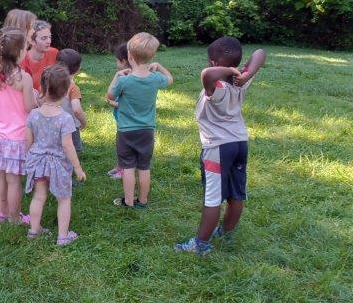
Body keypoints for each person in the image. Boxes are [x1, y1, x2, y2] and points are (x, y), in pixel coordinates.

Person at [175, 37, 265, 255]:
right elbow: (260, 53)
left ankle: (201, 244)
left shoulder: (216, 87)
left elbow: (206, 75)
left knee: (212, 197)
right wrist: (244, 74)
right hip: (239, 144)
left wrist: (231, 72)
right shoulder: (239, 81)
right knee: (236, 194)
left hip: (217, 148)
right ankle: (226, 232)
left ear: (213, 63)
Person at [106, 32, 173, 209]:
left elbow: (110, 95)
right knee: (144, 167)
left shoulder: (124, 81)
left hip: (126, 131)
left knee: (127, 167)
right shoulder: (155, 78)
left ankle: (128, 202)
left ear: (129, 55)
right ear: (151, 57)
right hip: (147, 131)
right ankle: (142, 201)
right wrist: (159, 67)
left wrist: (117, 76)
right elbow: (170, 79)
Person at [24, 65, 86, 246]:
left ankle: (34, 231)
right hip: (59, 164)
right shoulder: (65, 118)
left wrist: (28, 157)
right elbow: (68, 145)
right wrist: (77, 168)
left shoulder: (33, 114)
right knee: (63, 199)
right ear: (66, 91)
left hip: (37, 161)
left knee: (39, 196)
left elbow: (28, 140)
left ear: (42, 88)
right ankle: (63, 236)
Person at [0, 27, 35, 225]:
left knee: (0, 177)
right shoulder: (24, 78)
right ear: (19, 52)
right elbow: (29, 107)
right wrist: (36, 98)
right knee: (14, 180)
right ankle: (15, 217)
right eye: (26, 48)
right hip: (16, 137)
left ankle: (1, 213)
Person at [55, 48, 86, 154]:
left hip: (51, 123)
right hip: (70, 126)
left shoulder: (49, 83)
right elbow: (77, 110)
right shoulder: (73, 88)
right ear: (78, 68)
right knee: (71, 150)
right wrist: (83, 122)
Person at [106, 42, 129, 180]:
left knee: (124, 146)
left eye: (117, 60)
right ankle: (120, 166)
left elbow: (127, 103)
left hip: (127, 120)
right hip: (121, 119)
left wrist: (113, 103)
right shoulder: (124, 76)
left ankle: (124, 170)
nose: (116, 62)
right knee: (120, 144)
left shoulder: (125, 79)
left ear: (124, 61)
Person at [22, 20, 58, 93]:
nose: (49, 41)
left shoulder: (54, 53)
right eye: (44, 38)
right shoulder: (23, 60)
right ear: (32, 41)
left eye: (50, 37)